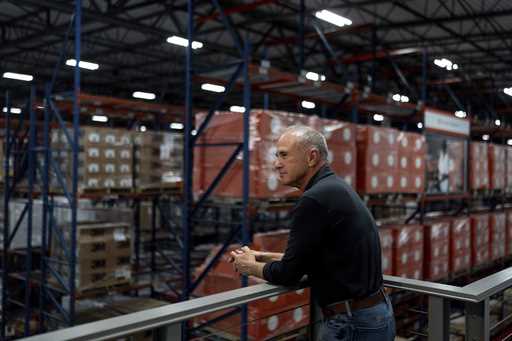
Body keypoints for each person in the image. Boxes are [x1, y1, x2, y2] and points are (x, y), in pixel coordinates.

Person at [230, 125, 395, 341]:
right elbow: (319, 258)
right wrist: (262, 257)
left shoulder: (314, 200)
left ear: (311, 157)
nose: (276, 164)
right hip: (374, 314)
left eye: (284, 155)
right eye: (276, 155)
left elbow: (289, 274)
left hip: (352, 324)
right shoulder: (334, 188)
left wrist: (249, 267)